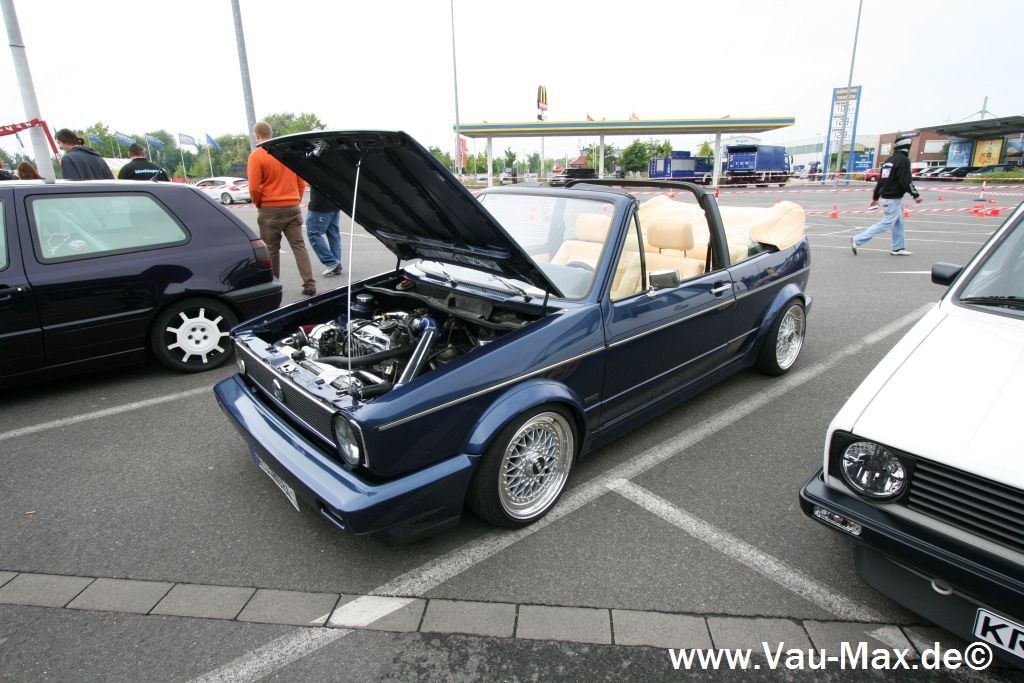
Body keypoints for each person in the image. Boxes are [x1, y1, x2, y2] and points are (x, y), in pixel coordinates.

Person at [247, 120, 317, 296]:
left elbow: (254, 188)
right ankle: (309, 283)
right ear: (270, 133)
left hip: (270, 209)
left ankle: (274, 285)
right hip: (292, 206)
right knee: (298, 245)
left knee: (271, 249)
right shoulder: (287, 153)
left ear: (257, 136)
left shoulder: (257, 156)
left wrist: (258, 204)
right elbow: (301, 182)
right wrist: (295, 199)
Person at [851, 137, 922, 256]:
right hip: (892, 198)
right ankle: (857, 239)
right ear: (907, 147)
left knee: (899, 223)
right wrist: (915, 195)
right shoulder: (903, 160)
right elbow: (906, 180)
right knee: (886, 223)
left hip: (890, 198)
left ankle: (898, 248)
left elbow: (881, 181)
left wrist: (875, 197)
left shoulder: (889, 161)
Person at [306, 186, 343, 277]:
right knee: (333, 234)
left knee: (313, 234)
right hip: (335, 202)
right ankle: (336, 264)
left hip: (320, 205)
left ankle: (331, 262)